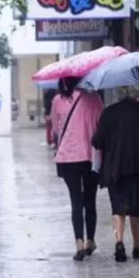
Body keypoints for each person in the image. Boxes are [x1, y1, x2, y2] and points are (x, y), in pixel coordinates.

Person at [92, 86, 139, 262]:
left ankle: (119, 243)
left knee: (118, 207)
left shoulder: (109, 113)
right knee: (137, 208)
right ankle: (137, 246)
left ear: (118, 94)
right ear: (136, 94)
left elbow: (97, 141)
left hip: (116, 168)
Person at [51, 77, 103, 261]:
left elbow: (56, 131)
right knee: (90, 200)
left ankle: (78, 242)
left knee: (76, 200)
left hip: (67, 157)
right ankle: (90, 240)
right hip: (90, 156)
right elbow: (100, 125)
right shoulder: (94, 98)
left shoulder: (58, 100)